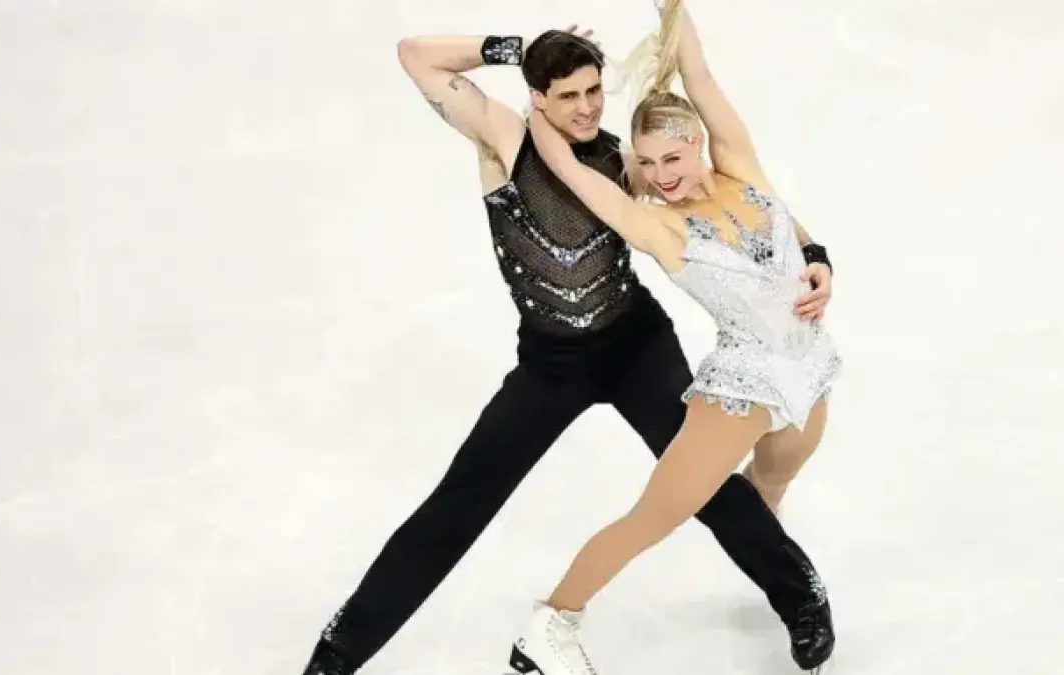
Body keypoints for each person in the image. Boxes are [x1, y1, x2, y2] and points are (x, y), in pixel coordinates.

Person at [299, 22, 835, 675]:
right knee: (463, 498)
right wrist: (511, 50)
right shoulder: (505, 139)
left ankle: (800, 596)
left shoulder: (631, 163)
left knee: (700, 474)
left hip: (635, 342)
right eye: (568, 96)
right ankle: (342, 650)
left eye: (593, 91)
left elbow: (745, 194)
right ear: (538, 97)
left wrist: (811, 251)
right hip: (552, 363)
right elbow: (416, 57)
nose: (586, 108)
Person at [506, 2, 842, 674]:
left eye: (673, 157)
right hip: (742, 388)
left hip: (809, 369)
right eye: (649, 162)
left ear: (699, 144)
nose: (661, 174)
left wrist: (819, 258)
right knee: (654, 516)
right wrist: (539, 110)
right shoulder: (661, 227)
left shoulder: (741, 167)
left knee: (773, 483)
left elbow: (698, 71)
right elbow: (571, 172)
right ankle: (551, 622)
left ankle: (775, 575)